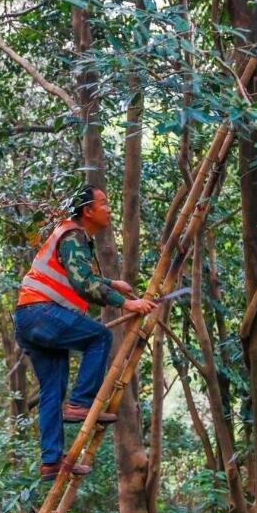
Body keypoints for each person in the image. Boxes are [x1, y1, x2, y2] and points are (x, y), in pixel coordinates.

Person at [14, 185, 157, 481]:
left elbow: (78, 274)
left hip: (29, 319)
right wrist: (126, 302)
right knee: (100, 337)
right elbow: (82, 284)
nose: (109, 209)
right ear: (88, 210)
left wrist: (111, 283)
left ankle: (51, 460)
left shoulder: (73, 238)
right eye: (104, 203)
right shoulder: (73, 235)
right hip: (42, 313)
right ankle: (80, 404)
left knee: (52, 390)